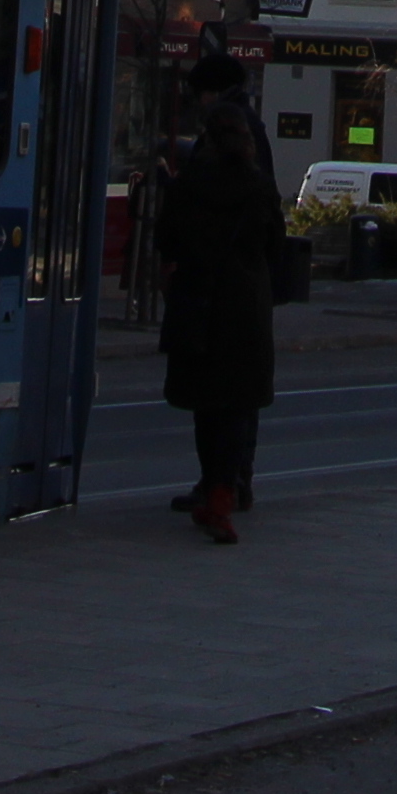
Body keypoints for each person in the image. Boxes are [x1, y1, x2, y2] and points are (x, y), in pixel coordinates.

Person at [156, 49, 284, 542]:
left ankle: (214, 485)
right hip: (245, 305)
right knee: (237, 403)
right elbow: (274, 241)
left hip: (199, 300)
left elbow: (167, 237)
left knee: (207, 405)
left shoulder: (192, 183)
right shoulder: (257, 185)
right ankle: (228, 490)